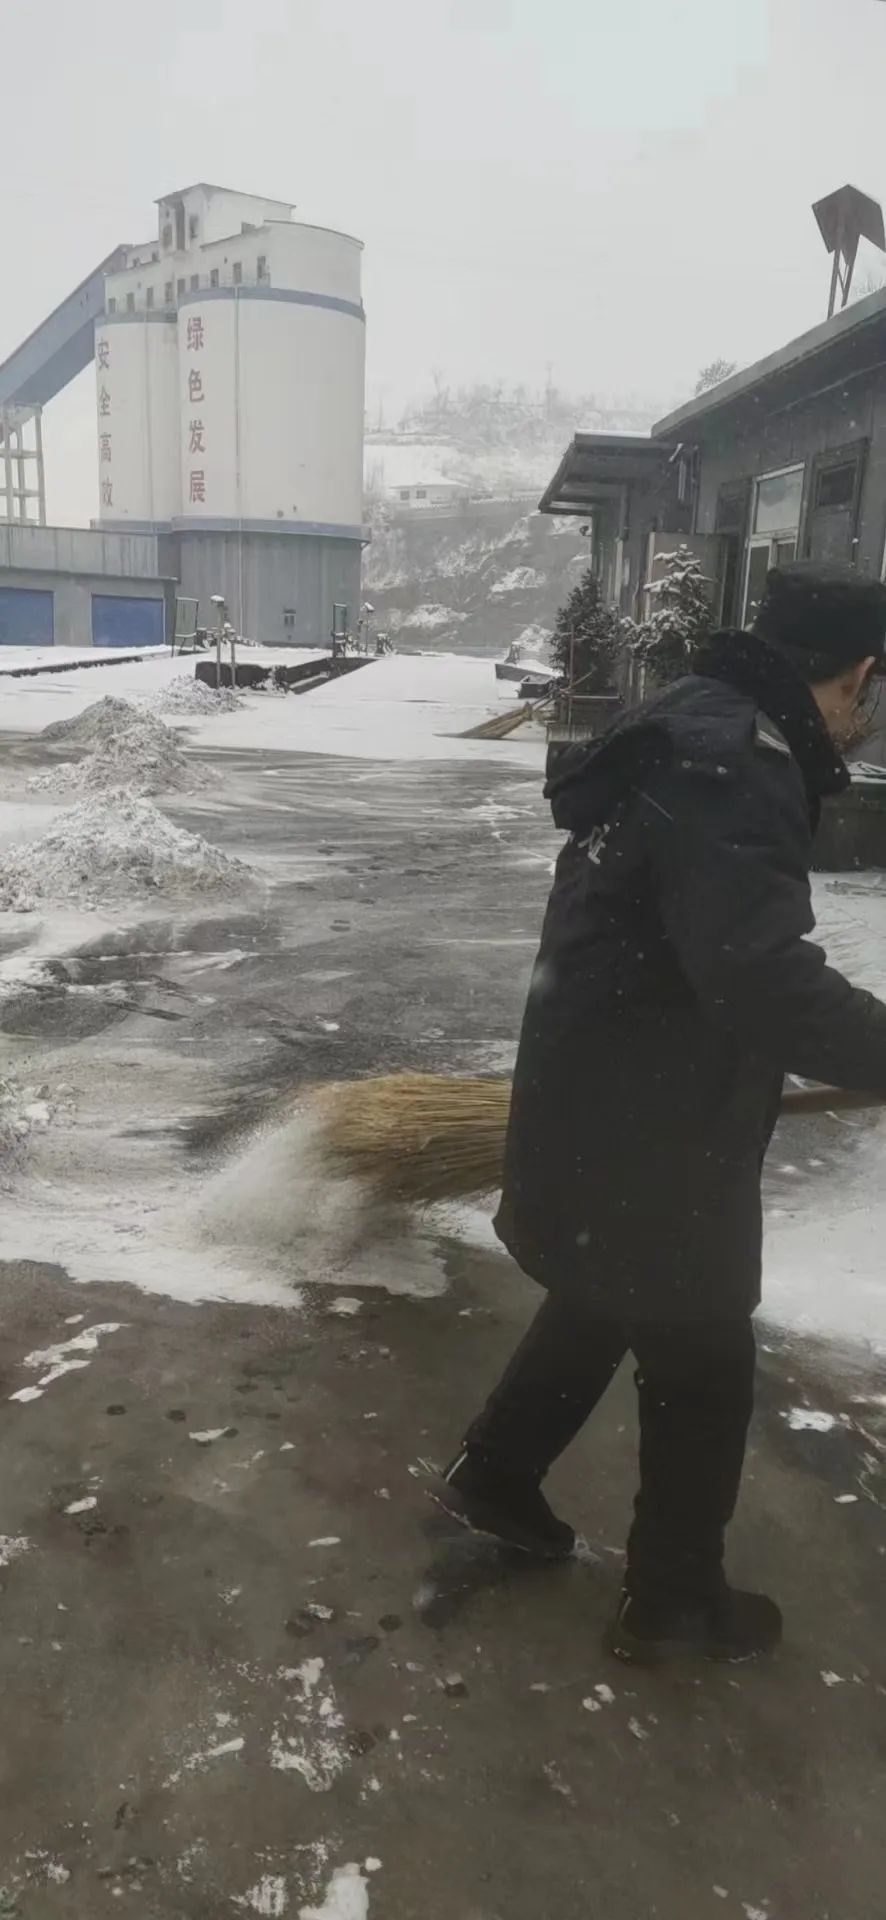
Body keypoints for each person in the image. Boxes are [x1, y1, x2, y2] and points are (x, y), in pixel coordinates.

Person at [433, 563, 886, 1664]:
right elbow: (758, 973)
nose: (864, 718)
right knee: (703, 1357)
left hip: (609, 1081)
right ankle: (675, 1603)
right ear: (856, 674)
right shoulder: (738, 764)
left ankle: (496, 1473)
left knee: (603, 1286)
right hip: (653, 1116)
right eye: (869, 693)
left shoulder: (693, 719)